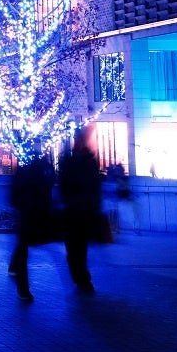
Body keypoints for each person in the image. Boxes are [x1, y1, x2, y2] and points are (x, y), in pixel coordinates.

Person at [58, 126, 103, 293]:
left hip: (75, 211)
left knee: (75, 247)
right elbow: (95, 187)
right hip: (82, 211)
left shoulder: (71, 162)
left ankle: (80, 277)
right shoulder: (88, 162)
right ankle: (82, 278)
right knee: (79, 247)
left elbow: (63, 187)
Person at [8, 154, 57, 302]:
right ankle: (22, 286)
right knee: (24, 247)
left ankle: (23, 288)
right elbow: (49, 189)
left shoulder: (23, 173)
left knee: (23, 247)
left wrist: (23, 206)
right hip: (37, 214)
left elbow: (14, 196)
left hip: (27, 214)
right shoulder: (43, 173)